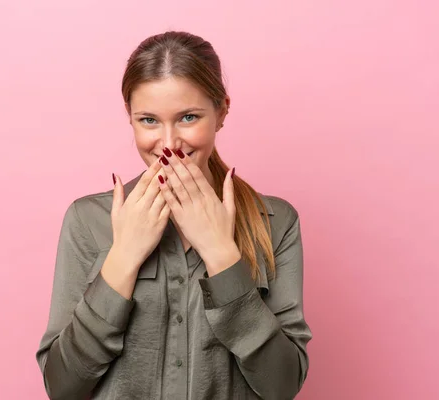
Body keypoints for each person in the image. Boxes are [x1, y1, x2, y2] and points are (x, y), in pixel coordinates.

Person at [35, 31, 312, 400]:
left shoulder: (275, 222)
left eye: (188, 117)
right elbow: (62, 387)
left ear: (222, 112)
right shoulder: (87, 220)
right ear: (130, 118)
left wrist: (220, 254)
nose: (168, 144)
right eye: (148, 120)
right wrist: (123, 258)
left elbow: (282, 385)